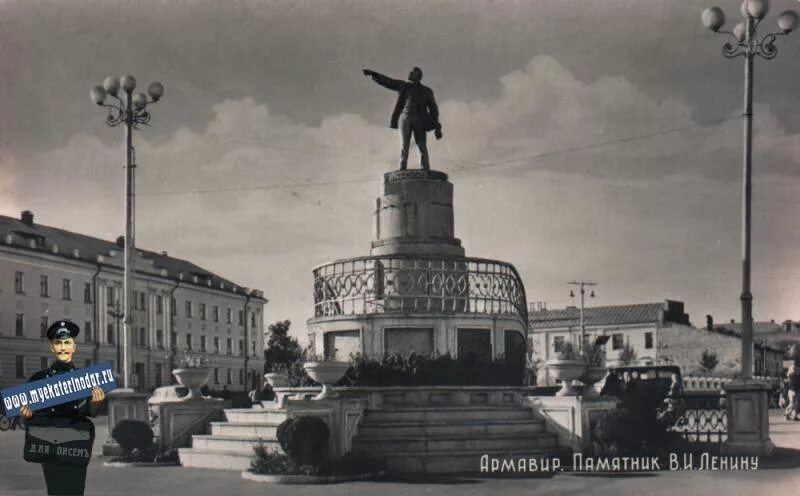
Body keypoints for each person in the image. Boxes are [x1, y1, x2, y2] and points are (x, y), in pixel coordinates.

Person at [18, 320, 106, 496]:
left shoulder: (86, 381)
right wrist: (26, 415)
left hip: (76, 445)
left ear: (74, 347)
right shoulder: (39, 379)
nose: (63, 348)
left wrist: (96, 404)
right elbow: (27, 414)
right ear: (52, 347)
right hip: (50, 446)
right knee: (56, 490)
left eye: (67, 343)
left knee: (75, 490)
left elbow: (90, 412)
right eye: (58, 343)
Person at [363, 67, 443, 170]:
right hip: (406, 118)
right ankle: (402, 168)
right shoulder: (403, 86)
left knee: (421, 145)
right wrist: (374, 75)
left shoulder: (426, 91)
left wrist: (436, 126)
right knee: (404, 145)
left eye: (413, 72)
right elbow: (389, 82)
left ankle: (425, 169)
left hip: (420, 120)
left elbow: (434, 109)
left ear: (418, 76)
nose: (410, 72)